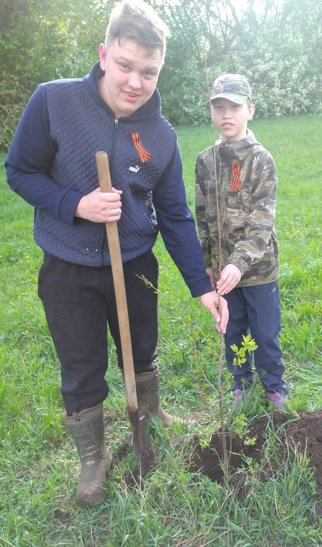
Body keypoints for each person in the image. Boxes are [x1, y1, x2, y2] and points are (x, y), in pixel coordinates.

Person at [5, 0, 228, 509]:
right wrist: (75, 204)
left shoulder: (161, 135)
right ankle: (93, 458)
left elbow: (174, 217)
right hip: (68, 267)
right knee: (81, 364)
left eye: (148, 71)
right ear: (105, 54)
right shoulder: (53, 102)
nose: (135, 81)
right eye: (125, 65)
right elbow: (19, 171)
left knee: (140, 350)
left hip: (133, 265)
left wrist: (202, 287)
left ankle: (148, 416)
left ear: (159, 70)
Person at [195, 74, 288, 412]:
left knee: (264, 335)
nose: (226, 115)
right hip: (222, 273)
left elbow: (262, 220)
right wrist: (208, 261)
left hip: (258, 270)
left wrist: (240, 262)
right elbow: (202, 214)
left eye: (234, 107)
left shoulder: (262, 160)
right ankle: (241, 385)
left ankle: (274, 388)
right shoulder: (205, 161)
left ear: (250, 109)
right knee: (233, 331)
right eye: (219, 107)